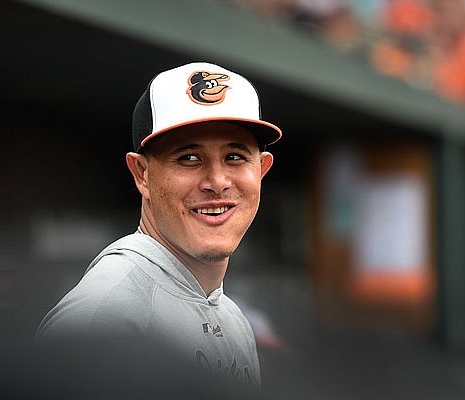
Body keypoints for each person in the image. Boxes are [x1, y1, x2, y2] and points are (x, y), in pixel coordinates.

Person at [36, 62, 282, 388]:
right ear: (142, 174)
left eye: (235, 157)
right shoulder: (103, 315)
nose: (217, 181)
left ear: (261, 171)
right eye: (189, 158)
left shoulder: (233, 319)